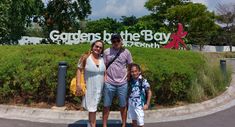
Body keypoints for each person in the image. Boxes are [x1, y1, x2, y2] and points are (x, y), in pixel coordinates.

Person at [103, 34, 133, 127]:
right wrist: (104, 78)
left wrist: (128, 75)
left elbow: (130, 64)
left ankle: (124, 124)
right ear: (111, 42)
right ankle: (104, 125)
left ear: (121, 41)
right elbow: (103, 65)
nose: (116, 43)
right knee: (106, 105)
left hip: (122, 83)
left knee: (123, 105)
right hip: (109, 83)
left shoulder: (126, 52)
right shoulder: (106, 52)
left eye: (117, 41)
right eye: (113, 41)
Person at [76, 40, 105, 127]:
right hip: (90, 87)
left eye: (100, 47)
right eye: (96, 46)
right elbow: (79, 69)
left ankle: (90, 124)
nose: (98, 48)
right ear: (92, 46)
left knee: (93, 107)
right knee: (92, 108)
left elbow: (105, 72)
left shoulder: (102, 59)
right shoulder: (85, 57)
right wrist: (78, 84)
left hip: (100, 88)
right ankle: (93, 125)